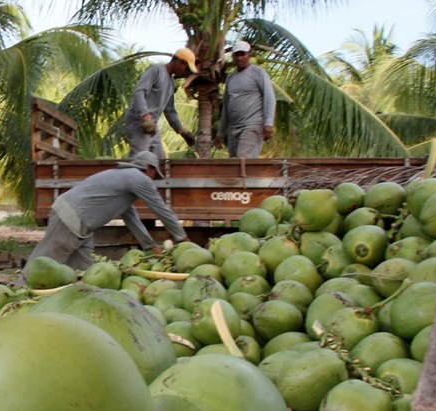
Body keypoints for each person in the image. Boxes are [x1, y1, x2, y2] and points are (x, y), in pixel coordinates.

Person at [21, 151, 189, 275]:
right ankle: (19, 291)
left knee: (83, 271)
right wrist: (182, 238)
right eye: (154, 175)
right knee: (44, 264)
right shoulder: (138, 177)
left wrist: (151, 247)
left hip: (80, 225)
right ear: (150, 168)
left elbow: (132, 220)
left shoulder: (123, 181)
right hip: (70, 217)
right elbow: (161, 210)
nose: (153, 179)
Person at [125, 48, 198, 157]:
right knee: (140, 158)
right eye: (187, 69)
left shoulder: (171, 82)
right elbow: (139, 92)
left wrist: (182, 131)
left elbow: (169, 110)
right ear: (179, 62)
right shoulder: (156, 70)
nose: (186, 74)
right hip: (139, 120)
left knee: (158, 159)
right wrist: (145, 116)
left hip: (151, 123)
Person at [215, 40, 276, 158]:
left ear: (249, 54)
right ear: (233, 57)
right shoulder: (231, 78)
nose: (239, 58)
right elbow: (226, 107)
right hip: (234, 129)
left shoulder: (257, 72)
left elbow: (269, 97)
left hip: (252, 126)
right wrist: (220, 133)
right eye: (236, 55)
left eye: (242, 54)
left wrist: (268, 123)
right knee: (233, 164)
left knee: (243, 160)